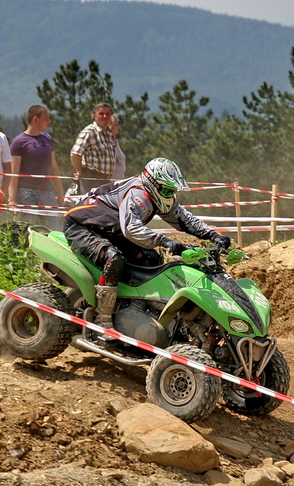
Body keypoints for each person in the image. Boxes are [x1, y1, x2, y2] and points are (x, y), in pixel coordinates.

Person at [63, 157, 231, 333]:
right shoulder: (138, 193)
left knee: (151, 258)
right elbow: (131, 228)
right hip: (82, 226)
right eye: (167, 190)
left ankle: (140, 307)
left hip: (109, 230)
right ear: (153, 183)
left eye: (173, 190)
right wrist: (164, 240)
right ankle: (102, 318)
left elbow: (184, 219)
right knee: (114, 258)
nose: (170, 194)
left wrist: (213, 235)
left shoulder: (158, 194)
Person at [8, 104, 64, 230]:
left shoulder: (48, 139)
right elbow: (13, 173)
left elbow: (54, 168)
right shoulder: (19, 142)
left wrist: (61, 194)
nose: (49, 121)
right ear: (35, 119)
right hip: (26, 193)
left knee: (55, 227)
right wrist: (12, 200)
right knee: (28, 228)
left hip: (47, 192)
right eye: (46, 118)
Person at [69, 103, 115, 194]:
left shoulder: (108, 133)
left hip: (105, 179)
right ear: (94, 116)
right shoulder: (89, 131)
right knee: (91, 202)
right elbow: (75, 154)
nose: (105, 116)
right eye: (101, 114)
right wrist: (80, 171)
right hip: (91, 178)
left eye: (107, 114)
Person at [110, 114, 126, 180]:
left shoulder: (115, 140)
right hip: (109, 183)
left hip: (119, 181)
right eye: (116, 124)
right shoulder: (104, 141)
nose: (118, 126)